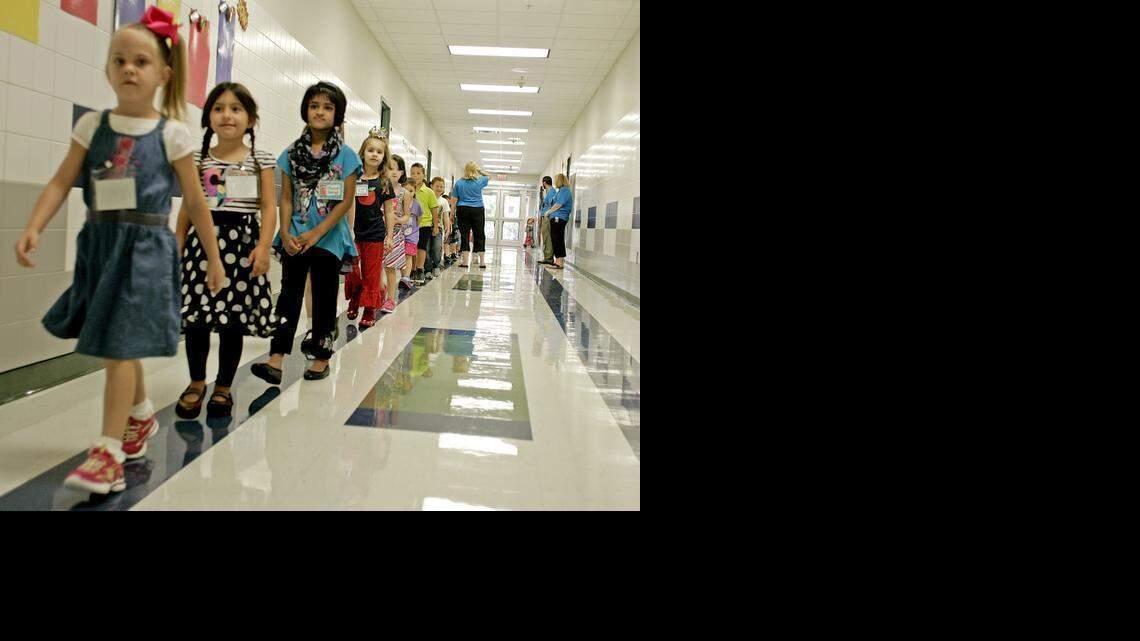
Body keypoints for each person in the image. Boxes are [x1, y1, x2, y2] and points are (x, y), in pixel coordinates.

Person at [13, 6, 224, 494]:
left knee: (120, 344)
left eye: (141, 62)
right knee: (116, 342)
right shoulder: (92, 127)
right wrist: (34, 226)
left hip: (147, 249)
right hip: (101, 245)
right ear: (108, 69)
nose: (129, 69)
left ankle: (108, 453)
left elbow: (195, 201)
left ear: (163, 74)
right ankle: (141, 414)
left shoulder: (172, 134)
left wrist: (212, 258)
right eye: (119, 60)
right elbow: (62, 181)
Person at [175, 82, 279, 419]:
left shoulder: (260, 159)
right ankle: (196, 381)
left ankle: (223, 386)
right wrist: (177, 244)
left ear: (250, 119)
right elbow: (189, 206)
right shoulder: (197, 158)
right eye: (218, 108)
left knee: (233, 320)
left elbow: (268, 206)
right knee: (197, 319)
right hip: (201, 246)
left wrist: (264, 247)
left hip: (243, 245)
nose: (227, 115)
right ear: (208, 118)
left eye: (236, 109)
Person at [251, 81, 361, 385]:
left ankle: (321, 358)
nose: (320, 112)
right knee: (288, 296)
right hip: (295, 235)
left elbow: (345, 201)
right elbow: (285, 197)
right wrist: (284, 232)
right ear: (305, 110)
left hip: (329, 238)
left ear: (337, 114)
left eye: (327, 107)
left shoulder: (347, 156)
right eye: (314, 106)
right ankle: (276, 359)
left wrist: (317, 233)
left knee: (325, 297)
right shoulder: (290, 154)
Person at [344, 130, 394, 328]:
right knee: (353, 271)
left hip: (375, 235)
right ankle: (355, 299)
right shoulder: (354, 177)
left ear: (383, 157)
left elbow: (389, 211)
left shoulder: (384, 182)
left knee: (372, 274)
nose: (374, 154)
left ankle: (369, 309)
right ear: (363, 153)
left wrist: (389, 236)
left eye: (379, 152)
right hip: (352, 233)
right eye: (370, 150)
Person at [380, 154, 412, 314]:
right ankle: (381, 289)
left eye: (398, 169)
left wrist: (398, 219)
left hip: (396, 235)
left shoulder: (405, 193)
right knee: (376, 268)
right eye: (390, 168)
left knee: (390, 267)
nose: (394, 172)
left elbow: (407, 215)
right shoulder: (379, 187)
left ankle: (390, 299)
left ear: (402, 173)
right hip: (377, 232)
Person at [452, 162, 490, 268]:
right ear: (475, 170)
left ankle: (465, 262)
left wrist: (451, 214)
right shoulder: (479, 181)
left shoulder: (459, 183)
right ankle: (482, 261)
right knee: (479, 234)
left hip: (463, 209)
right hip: (478, 209)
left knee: (464, 234)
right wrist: (480, 171)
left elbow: (454, 199)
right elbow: (489, 176)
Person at [408, 163, 440, 284]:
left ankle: (420, 269)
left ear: (423, 175)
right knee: (412, 247)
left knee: (421, 247)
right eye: (413, 173)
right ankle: (412, 269)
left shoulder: (428, 192)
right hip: (410, 225)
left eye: (418, 173)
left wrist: (435, 226)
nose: (415, 176)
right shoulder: (407, 189)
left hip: (424, 224)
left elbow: (434, 210)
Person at [545, 173, 573, 269]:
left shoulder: (564, 190)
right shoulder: (560, 191)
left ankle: (559, 262)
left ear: (559, 180)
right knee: (555, 239)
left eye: (556, 180)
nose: (555, 182)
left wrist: (548, 212)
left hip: (559, 218)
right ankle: (557, 261)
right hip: (556, 218)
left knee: (558, 239)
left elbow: (559, 204)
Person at [430, 177, 449, 275]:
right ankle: (428, 268)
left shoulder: (444, 201)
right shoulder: (428, 197)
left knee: (437, 247)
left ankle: (436, 265)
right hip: (427, 226)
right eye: (437, 186)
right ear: (431, 186)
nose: (439, 188)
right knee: (427, 248)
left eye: (441, 187)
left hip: (439, 228)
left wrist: (448, 228)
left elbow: (446, 217)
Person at [538, 175, 555, 264]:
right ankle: (547, 257)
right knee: (545, 237)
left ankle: (549, 258)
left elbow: (552, 205)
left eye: (543, 183)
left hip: (548, 218)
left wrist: (546, 214)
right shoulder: (548, 192)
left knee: (547, 237)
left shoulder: (551, 192)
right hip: (545, 217)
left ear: (544, 182)